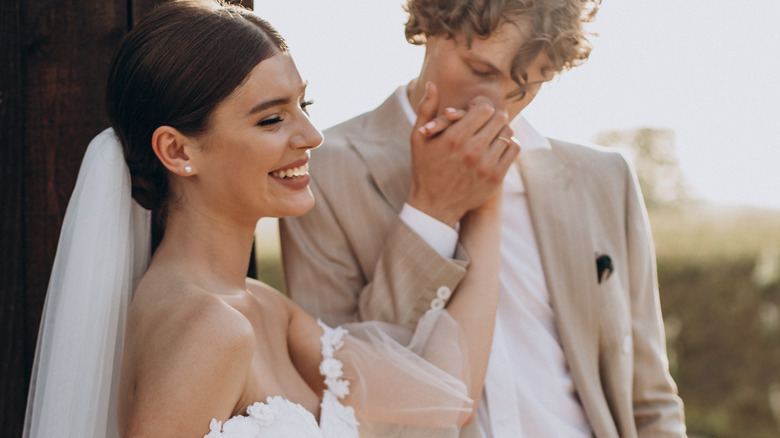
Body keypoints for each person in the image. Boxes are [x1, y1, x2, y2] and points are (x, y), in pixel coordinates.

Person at [23, 1, 516, 437]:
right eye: (271, 118)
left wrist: (485, 199)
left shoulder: (262, 306)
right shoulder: (211, 329)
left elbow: (449, 397)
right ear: (177, 150)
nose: (312, 135)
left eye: (304, 105)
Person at [280, 0, 687, 437]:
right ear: (429, 26)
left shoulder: (605, 180)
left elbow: (651, 400)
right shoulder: (322, 174)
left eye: (529, 84)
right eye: (480, 70)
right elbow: (346, 396)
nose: (496, 107)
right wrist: (429, 213)